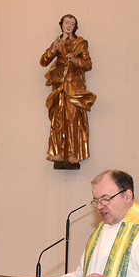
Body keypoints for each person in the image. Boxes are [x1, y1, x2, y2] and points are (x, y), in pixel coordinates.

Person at [40, 14, 96, 166]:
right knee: (57, 118)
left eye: (72, 23)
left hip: (73, 85)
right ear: (62, 25)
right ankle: (58, 152)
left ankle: (72, 152)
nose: (69, 26)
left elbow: (88, 64)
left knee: (72, 118)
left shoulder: (80, 43)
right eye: (66, 22)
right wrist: (53, 49)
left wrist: (76, 60)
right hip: (59, 84)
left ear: (75, 26)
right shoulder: (57, 42)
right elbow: (44, 61)